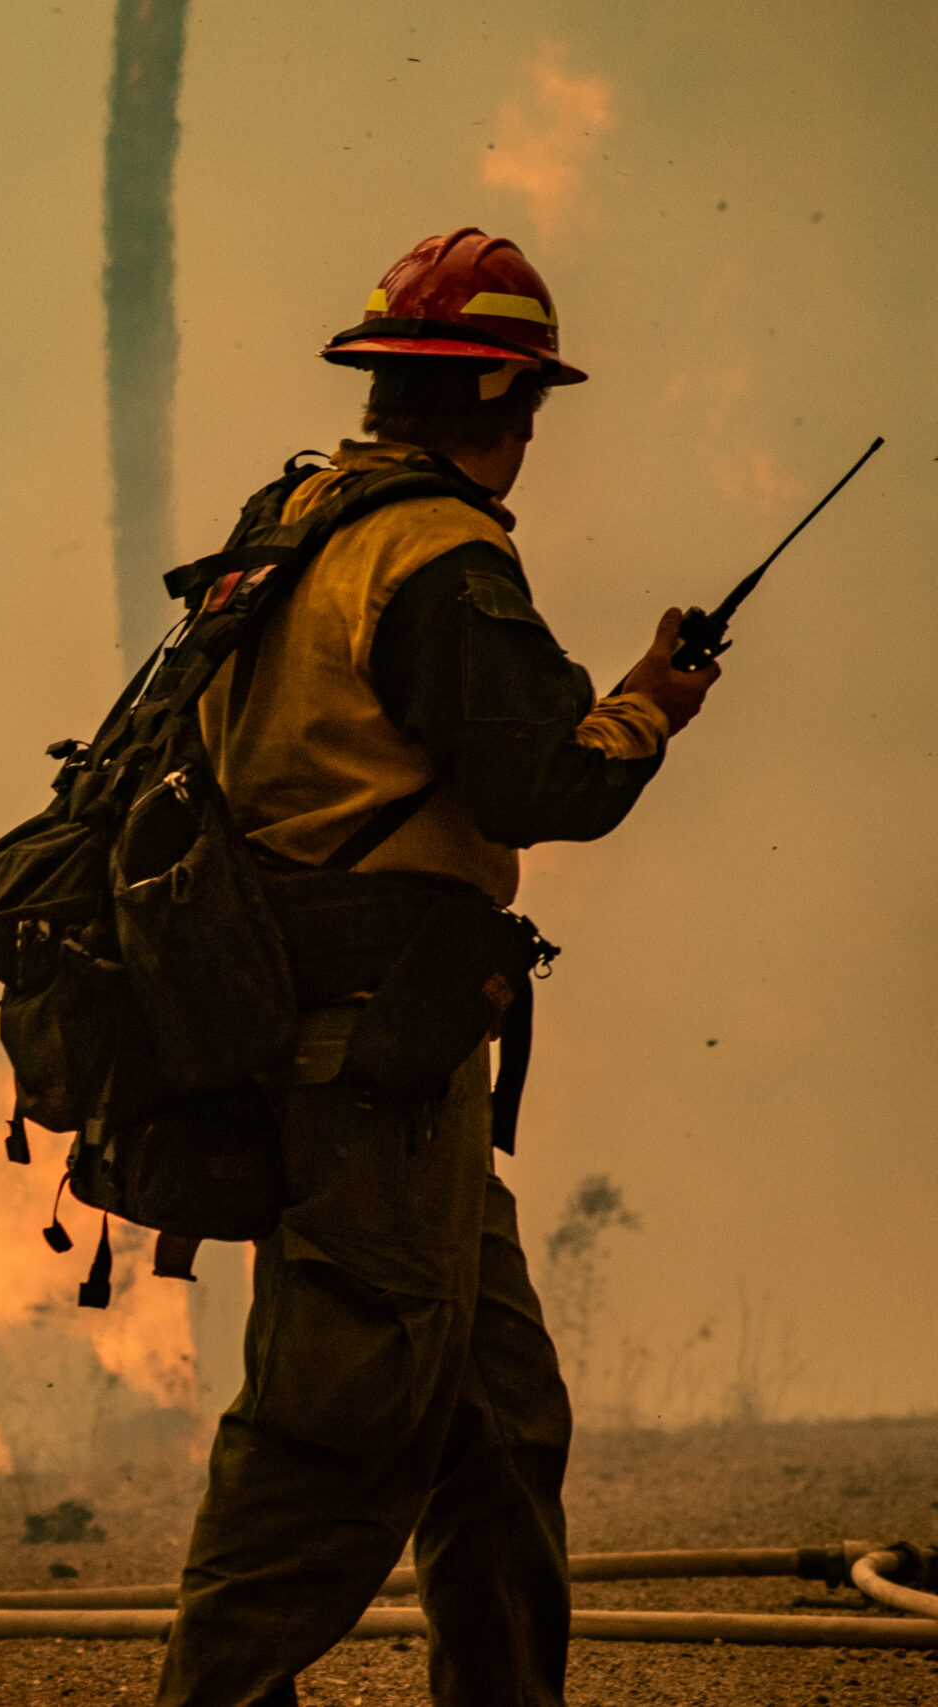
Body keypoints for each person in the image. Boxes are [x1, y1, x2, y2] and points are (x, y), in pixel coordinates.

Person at [154, 229, 720, 1707]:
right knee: (332, 1440)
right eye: (527, 403)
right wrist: (649, 708)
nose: (531, 431)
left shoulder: (302, 519)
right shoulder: (436, 552)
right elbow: (548, 789)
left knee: (502, 1421)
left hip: (362, 1055)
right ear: (492, 396)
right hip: (370, 1071)